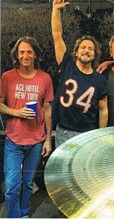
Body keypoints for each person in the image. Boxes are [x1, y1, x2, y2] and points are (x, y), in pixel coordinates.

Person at [0, 36, 54, 218]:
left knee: (28, 183)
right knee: (11, 187)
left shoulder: (45, 78)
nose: (25, 55)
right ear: (16, 54)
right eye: (22, 52)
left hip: (36, 140)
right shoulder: (7, 77)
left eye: (29, 52)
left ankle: (23, 214)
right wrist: (17, 112)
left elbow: (47, 109)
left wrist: (47, 139)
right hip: (13, 140)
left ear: (36, 54)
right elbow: (0, 104)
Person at [51, 0, 108, 147]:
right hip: (64, 132)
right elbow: (57, 35)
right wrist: (55, 11)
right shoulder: (67, 64)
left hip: (89, 134)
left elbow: (103, 109)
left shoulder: (100, 79)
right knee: (63, 171)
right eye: (83, 47)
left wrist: (100, 135)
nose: (86, 50)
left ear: (95, 54)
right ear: (76, 51)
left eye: (91, 48)